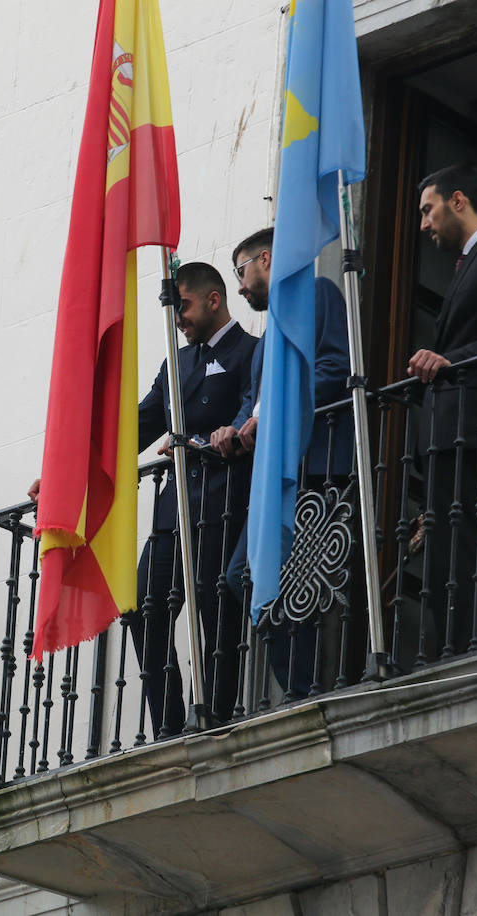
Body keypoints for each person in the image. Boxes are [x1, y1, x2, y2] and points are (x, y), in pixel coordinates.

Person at [212, 227, 353, 697]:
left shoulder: (318, 294)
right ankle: (299, 681)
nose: (239, 285)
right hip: (274, 473)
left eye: (240, 270)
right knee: (246, 574)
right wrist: (233, 428)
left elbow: (334, 367)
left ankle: (306, 686)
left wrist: (270, 416)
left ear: (266, 258)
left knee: (292, 576)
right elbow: (253, 401)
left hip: (313, 465)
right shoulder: (271, 328)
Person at [133, 261, 256, 732]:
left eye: (182, 305)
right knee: (143, 603)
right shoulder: (177, 360)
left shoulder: (252, 351)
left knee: (214, 607)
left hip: (224, 501)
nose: (177, 317)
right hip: (175, 509)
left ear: (213, 299)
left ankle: (216, 715)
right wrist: (68, 470)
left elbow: (253, 411)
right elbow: (138, 427)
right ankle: (168, 720)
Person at [410, 164, 477, 656]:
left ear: (458, 201)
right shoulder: (468, 262)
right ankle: (444, 644)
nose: (424, 224)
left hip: (471, 425)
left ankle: (463, 646)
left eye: (429, 210)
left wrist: (450, 360)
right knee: (445, 551)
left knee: (463, 545)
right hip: (450, 432)